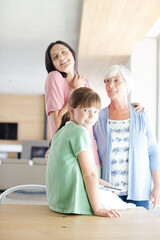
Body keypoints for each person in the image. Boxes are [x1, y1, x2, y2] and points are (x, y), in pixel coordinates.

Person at [46, 87, 135, 217]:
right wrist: (97, 209)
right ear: (71, 110)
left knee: (115, 199)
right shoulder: (80, 132)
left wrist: (108, 186)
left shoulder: (60, 132)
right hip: (75, 204)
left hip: (58, 203)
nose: (92, 116)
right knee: (129, 209)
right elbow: (89, 175)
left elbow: (81, 172)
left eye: (96, 111)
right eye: (86, 110)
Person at [93, 65, 160, 210]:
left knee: (139, 232)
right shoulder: (98, 116)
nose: (110, 85)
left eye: (116, 80)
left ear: (127, 84)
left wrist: (157, 186)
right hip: (109, 193)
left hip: (140, 191)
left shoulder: (141, 114)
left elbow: (153, 151)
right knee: (111, 232)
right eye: (107, 81)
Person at [45, 40, 101, 175]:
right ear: (53, 64)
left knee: (95, 194)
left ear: (72, 54)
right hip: (69, 152)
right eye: (55, 57)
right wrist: (74, 90)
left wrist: (129, 108)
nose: (61, 57)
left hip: (90, 151)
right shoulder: (54, 77)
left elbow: (93, 119)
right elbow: (58, 122)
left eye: (64, 52)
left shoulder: (86, 83)